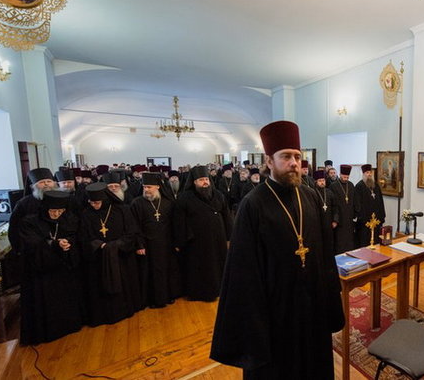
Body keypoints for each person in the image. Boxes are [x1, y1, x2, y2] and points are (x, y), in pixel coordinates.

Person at [211, 120, 344, 379]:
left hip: (313, 308)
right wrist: (254, 329)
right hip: (275, 315)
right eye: (286, 157)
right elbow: (243, 273)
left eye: (297, 156)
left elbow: (326, 254)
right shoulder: (253, 205)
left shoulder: (310, 196)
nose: (294, 162)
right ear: (269, 161)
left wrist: (330, 304)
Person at [18, 190, 84, 345]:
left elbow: (77, 237)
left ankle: (69, 325)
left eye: (60, 211)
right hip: (43, 275)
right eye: (53, 211)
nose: (56, 214)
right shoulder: (30, 222)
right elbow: (31, 243)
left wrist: (68, 242)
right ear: (45, 208)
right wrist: (53, 244)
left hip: (65, 271)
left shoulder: (70, 219)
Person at [78, 182, 142, 326]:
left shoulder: (122, 210)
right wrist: (99, 245)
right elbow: (83, 238)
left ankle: (125, 310)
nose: (94, 205)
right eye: (91, 202)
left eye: (97, 202)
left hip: (121, 257)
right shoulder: (86, 214)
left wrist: (116, 245)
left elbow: (132, 232)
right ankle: (103, 316)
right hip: (98, 259)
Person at [174, 165, 232, 302]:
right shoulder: (184, 198)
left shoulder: (218, 195)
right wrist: (180, 241)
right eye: (201, 180)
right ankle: (201, 293)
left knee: (218, 266)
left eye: (206, 179)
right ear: (194, 182)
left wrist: (230, 237)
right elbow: (179, 222)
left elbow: (227, 217)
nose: (205, 182)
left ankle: (219, 290)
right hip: (196, 241)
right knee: (200, 268)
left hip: (218, 239)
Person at [131, 172, 182, 308]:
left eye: (149, 187)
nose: (146, 190)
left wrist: (176, 242)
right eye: (145, 187)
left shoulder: (168, 203)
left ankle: (168, 296)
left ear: (158, 187)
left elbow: (175, 224)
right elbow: (135, 226)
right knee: (152, 273)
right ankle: (154, 299)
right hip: (148, 244)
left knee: (167, 270)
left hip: (166, 243)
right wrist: (139, 244)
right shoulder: (137, 203)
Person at [9, 168, 57, 254]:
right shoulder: (23, 203)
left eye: (49, 181)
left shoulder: (62, 199)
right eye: (42, 182)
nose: (46, 184)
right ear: (33, 186)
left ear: (54, 183)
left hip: (58, 247)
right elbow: (14, 227)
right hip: (34, 250)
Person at [355, 164, 385, 247]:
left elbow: (381, 202)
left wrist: (382, 216)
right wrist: (362, 217)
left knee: (376, 241)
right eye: (367, 172)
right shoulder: (359, 186)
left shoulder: (376, 186)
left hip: (376, 219)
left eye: (370, 172)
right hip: (365, 220)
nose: (369, 174)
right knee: (365, 241)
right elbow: (357, 204)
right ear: (363, 174)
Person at [329, 164, 357, 253]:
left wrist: (355, 214)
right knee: (340, 241)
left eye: (347, 177)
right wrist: (334, 219)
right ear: (340, 174)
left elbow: (354, 201)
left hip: (349, 219)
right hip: (340, 219)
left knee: (349, 240)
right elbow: (332, 204)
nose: (346, 178)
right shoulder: (333, 186)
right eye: (344, 176)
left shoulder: (351, 185)